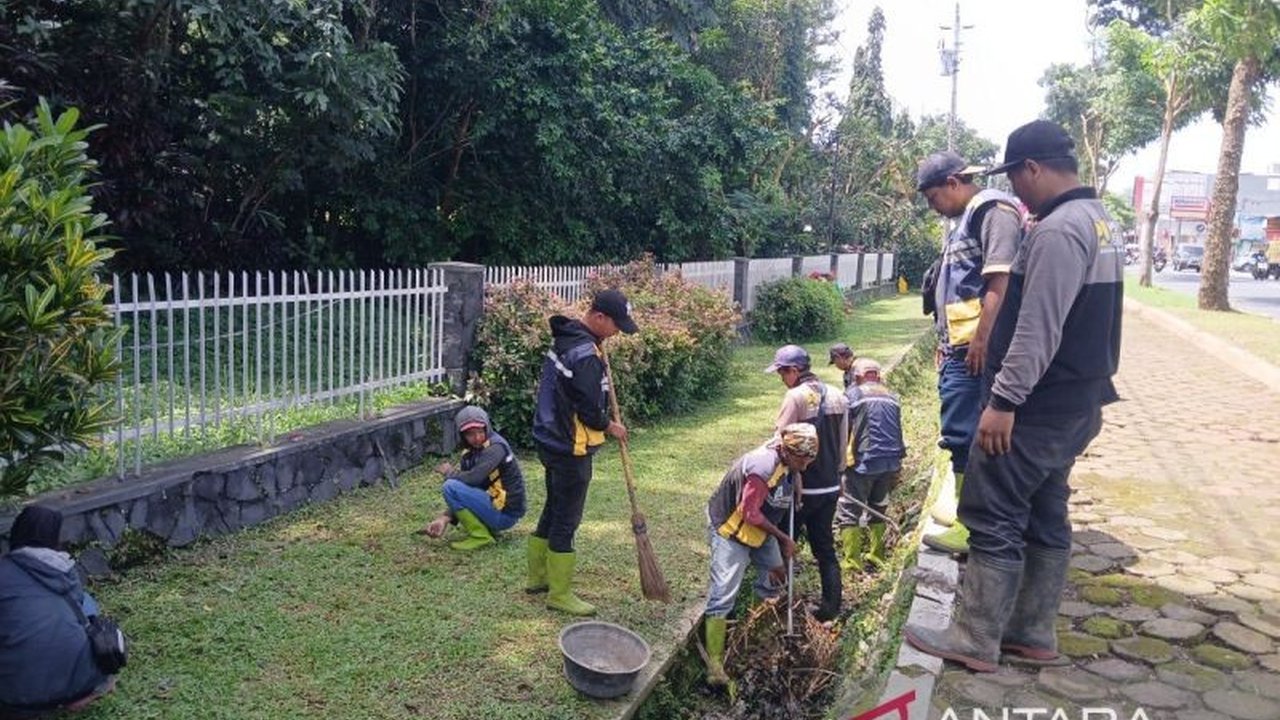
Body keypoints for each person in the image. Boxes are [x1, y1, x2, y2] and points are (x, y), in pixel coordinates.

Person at [904, 120, 1122, 672]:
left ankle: (974, 639)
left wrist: (1002, 402)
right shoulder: (1100, 223)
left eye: (1015, 178)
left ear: (1032, 168)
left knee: (992, 508)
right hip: (1080, 397)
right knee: (1047, 509)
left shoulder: (1054, 230)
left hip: (1038, 404)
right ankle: (1031, 632)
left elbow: (1036, 327)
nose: (1014, 193)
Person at [915, 150, 1024, 556]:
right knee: (958, 429)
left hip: (976, 351)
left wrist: (981, 340)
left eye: (933, 198)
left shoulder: (992, 211)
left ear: (954, 183)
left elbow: (999, 281)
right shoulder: (965, 219)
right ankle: (963, 507)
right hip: (958, 347)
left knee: (965, 435)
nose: (933, 207)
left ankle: (971, 525)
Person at [527, 289, 635, 616]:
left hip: (550, 438)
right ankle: (559, 593)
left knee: (554, 506)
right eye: (617, 325)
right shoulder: (585, 353)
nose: (618, 331)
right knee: (567, 517)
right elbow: (589, 411)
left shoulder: (570, 339)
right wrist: (611, 426)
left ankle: (538, 577)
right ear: (599, 317)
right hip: (570, 444)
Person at [702, 424, 817, 687]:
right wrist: (783, 538)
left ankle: (751, 636)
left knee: (775, 578)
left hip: (760, 531)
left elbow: (789, 471)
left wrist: (795, 478)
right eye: (803, 460)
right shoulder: (762, 468)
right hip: (731, 529)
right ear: (788, 452)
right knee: (723, 593)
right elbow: (749, 512)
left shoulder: (787, 458)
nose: (807, 466)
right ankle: (715, 664)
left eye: (810, 460)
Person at [0, 506, 117, 718]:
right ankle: (85, 689)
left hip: (17, 699)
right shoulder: (64, 568)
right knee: (86, 602)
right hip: (80, 684)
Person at [767, 344, 848, 622]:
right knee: (824, 547)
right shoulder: (838, 394)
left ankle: (780, 603)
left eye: (782, 373)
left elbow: (782, 440)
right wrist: (840, 476)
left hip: (802, 488)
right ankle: (831, 608)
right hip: (829, 488)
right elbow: (842, 443)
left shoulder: (796, 397)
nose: (782, 379)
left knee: (784, 540)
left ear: (794, 370)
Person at [419, 406, 526, 550]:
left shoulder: (496, 447)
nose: (477, 438)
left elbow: (474, 478)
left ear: (487, 428)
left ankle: (480, 536)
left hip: (506, 514)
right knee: (454, 487)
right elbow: (467, 490)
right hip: (497, 507)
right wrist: (444, 519)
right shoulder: (469, 454)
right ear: (462, 435)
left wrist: (450, 472)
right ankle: (482, 531)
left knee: (450, 486)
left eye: (480, 431)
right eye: (470, 434)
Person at [836, 358, 905, 573]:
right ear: (878, 375)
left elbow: (843, 431)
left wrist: (838, 466)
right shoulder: (892, 396)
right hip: (891, 461)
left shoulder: (852, 396)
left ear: (856, 377)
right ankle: (877, 554)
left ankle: (852, 562)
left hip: (863, 461)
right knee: (879, 505)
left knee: (849, 509)